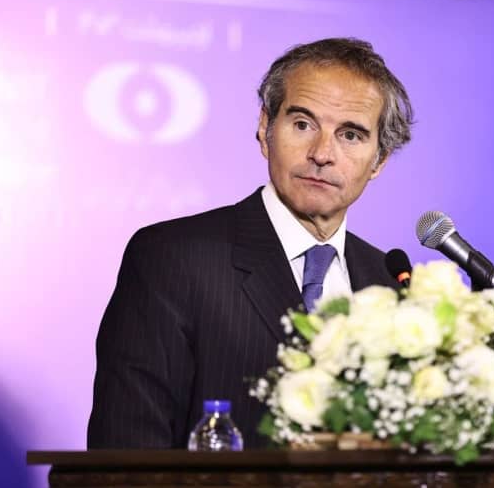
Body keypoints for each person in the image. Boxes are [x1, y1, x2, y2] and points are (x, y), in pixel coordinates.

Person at [87, 38, 414, 449]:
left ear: (379, 161)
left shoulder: (392, 286)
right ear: (265, 129)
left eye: (350, 135)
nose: (322, 153)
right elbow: (126, 450)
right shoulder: (173, 258)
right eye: (302, 125)